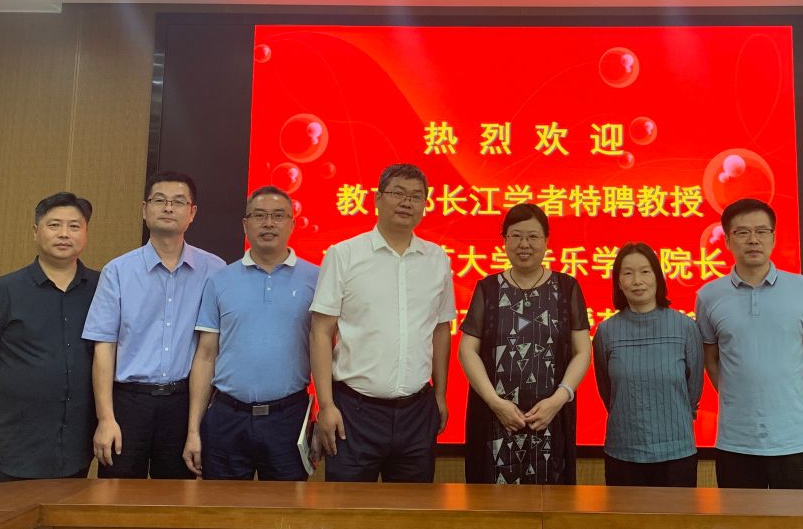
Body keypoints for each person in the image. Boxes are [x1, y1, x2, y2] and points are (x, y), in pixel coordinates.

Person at [310, 163, 456, 482]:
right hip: (354, 412)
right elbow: (321, 331)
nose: (406, 202)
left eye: (416, 196)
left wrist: (440, 395)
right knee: (347, 507)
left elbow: (441, 329)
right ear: (377, 198)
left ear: (425, 204)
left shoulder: (437, 259)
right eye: (397, 193)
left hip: (417, 411)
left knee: (412, 508)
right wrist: (326, 405)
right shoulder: (344, 254)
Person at [83, 170, 225, 478]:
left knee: (176, 498)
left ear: (192, 212)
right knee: (116, 495)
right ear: (144, 210)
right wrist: (105, 419)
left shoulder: (215, 271)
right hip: (128, 403)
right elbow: (103, 348)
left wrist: (195, 427)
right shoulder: (117, 271)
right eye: (159, 200)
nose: (168, 208)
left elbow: (209, 351)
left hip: (183, 403)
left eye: (178, 201)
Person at [0, 192, 99, 483]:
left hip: (75, 444)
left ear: (85, 233)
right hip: (11, 444)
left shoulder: (103, 289)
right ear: (36, 231)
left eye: (74, 226)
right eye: (54, 225)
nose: (64, 234)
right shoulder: (1, 292)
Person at [695, 197, 803, 489]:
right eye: (742, 232)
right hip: (735, 443)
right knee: (739, 515)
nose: (753, 240)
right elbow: (711, 359)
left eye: (761, 231)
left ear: (773, 237)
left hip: (796, 440)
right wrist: (740, 395)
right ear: (727, 240)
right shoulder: (708, 296)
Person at [183, 186, 319, 480]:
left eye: (278, 216)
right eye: (259, 216)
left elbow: (326, 349)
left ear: (292, 223)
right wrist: (194, 429)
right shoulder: (220, 280)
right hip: (227, 417)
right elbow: (206, 356)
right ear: (245, 224)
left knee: (286, 507)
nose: (268, 223)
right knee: (222, 505)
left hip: (288, 418)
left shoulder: (316, 278)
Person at [458, 203, 591, 485]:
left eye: (532, 236)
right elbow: (467, 350)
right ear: (505, 240)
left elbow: (582, 351)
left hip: (551, 417)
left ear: (546, 241)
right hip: (495, 418)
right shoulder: (488, 289)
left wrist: (559, 399)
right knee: (490, 502)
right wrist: (495, 402)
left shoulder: (566, 288)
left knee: (553, 500)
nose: (524, 244)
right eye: (516, 236)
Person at [593, 242, 704, 487]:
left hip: (677, 453)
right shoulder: (606, 331)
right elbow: (608, 391)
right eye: (628, 273)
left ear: (657, 277)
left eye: (645, 271)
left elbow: (693, 389)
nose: (637, 281)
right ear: (618, 282)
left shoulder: (685, 327)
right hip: (623, 451)